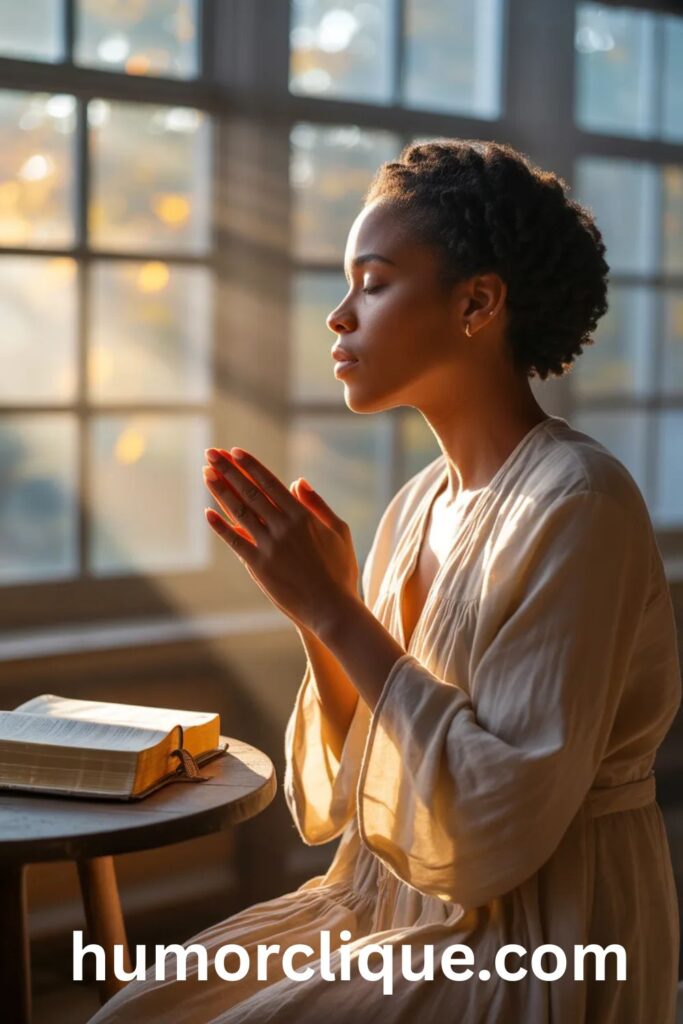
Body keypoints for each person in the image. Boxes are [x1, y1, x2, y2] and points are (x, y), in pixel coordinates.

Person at [87, 139, 681, 1024]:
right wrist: (318, 615)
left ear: (477, 302)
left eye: (372, 282)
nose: (338, 316)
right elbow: (341, 796)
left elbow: (498, 822)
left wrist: (335, 607)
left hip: (538, 932)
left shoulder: (578, 501)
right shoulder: (415, 506)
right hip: (387, 903)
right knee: (133, 1013)